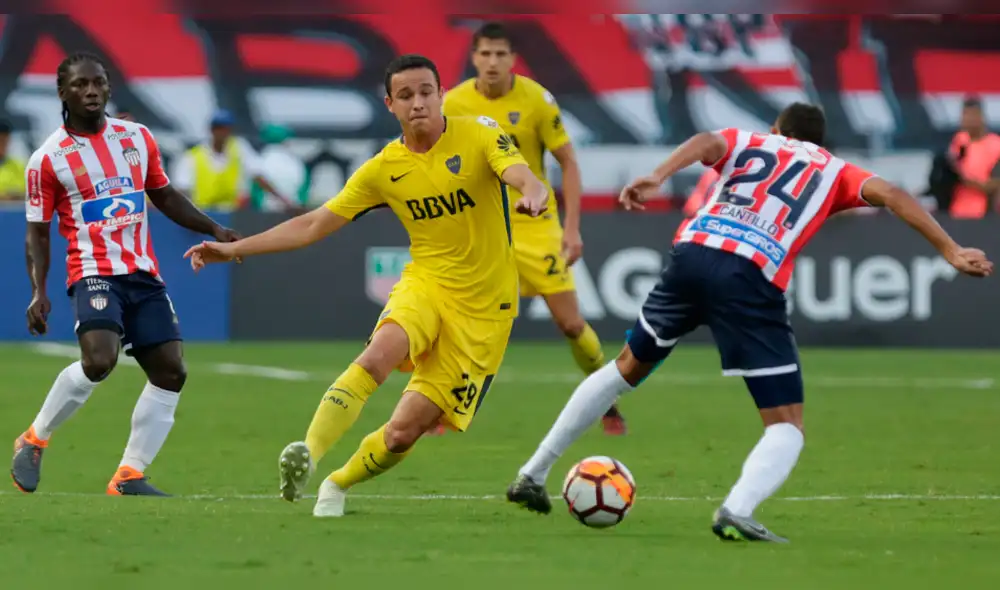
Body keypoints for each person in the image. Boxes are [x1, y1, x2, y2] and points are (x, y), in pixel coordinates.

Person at [505, 103, 993, 542]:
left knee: (626, 367)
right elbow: (893, 193)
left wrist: (657, 175)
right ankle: (737, 510)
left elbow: (706, 142)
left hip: (694, 251)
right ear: (819, 141)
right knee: (787, 425)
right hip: (750, 272)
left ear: (777, 129)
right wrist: (950, 249)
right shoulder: (836, 169)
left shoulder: (751, 140)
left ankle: (533, 473)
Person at [185, 54, 549, 518]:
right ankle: (309, 454)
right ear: (390, 104)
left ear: (441, 94)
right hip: (427, 284)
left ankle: (338, 483)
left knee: (402, 433)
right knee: (378, 355)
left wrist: (532, 193)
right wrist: (234, 249)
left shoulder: (479, 133)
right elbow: (312, 224)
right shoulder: (383, 169)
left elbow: (522, 175)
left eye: (426, 92)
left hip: (485, 310)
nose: (418, 103)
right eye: (406, 95)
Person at [12, 52, 241, 496]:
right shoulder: (47, 159)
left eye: (98, 82)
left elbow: (165, 195)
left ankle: (128, 475)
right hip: (93, 270)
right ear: (62, 93)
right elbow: (36, 233)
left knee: (171, 371)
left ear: (108, 87)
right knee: (100, 360)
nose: (91, 91)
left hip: (141, 272)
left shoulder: (136, 138)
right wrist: (38, 291)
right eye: (80, 85)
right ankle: (35, 438)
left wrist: (213, 228)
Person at [443, 22, 626, 436]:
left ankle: (606, 400)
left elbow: (569, 162)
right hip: (484, 228)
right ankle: (443, 408)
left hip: (535, 226)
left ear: (513, 58)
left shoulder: (537, 100)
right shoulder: (454, 104)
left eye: (500, 54)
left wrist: (572, 229)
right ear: (474, 57)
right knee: (465, 324)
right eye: (485, 53)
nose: (492, 61)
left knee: (572, 325)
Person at [0, 118, 26, 201]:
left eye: (6, 140)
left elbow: (28, 192)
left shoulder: (18, 166)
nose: (4, 144)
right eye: (1, 140)